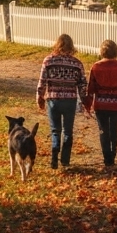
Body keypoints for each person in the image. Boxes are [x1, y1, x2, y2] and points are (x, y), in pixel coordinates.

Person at [36, 33, 87, 170]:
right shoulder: (77, 64)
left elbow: (42, 82)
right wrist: (85, 101)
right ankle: (65, 160)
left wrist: (40, 97)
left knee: (55, 130)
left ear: (57, 44)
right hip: (70, 100)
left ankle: (54, 154)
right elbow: (82, 85)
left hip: (53, 99)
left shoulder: (48, 61)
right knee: (68, 131)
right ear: (71, 46)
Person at [85, 40, 117, 168]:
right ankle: (113, 154)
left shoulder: (96, 67)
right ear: (116, 51)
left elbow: (91, 88)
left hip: (101, 103)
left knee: (103, 130)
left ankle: (107, 157)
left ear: (102, 51)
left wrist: (87, 105)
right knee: (114, 129)